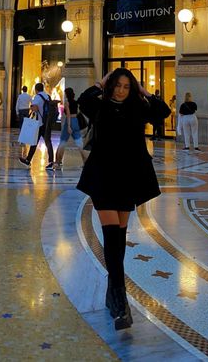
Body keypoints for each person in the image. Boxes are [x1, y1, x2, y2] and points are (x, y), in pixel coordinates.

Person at [76, 68, 169, 331]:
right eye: (117, 85)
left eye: (127, 86)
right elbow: (83, 100)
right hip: (104, 176)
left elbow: (163, 112)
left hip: (128, 176)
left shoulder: (137, 108)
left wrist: (144, 92)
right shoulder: (100, 106)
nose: (121, 90)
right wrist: (99, 82)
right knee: (110, 236)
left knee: (119, 237)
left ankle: (111, 292)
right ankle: (121, 302)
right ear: (110, 85)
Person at [18, 82, 54, 169]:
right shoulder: (47, 96)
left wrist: (31, 108)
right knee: (47, 142)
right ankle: (50, 161)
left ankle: (28, 161)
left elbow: (34, 107)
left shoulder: (38, 97)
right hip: (47, 122)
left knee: (35, 142)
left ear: (36, 89)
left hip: (40, 123)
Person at [54, 87, 84, 169]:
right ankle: (85, 161)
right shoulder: (76, 102)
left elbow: (68, 115)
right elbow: (77, 112)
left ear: (67, 94)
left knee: (62, 142)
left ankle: (57, 162)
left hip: (69, 122)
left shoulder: (67, 103)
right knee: (80, 143)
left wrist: (69, 126)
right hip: (76, 121)